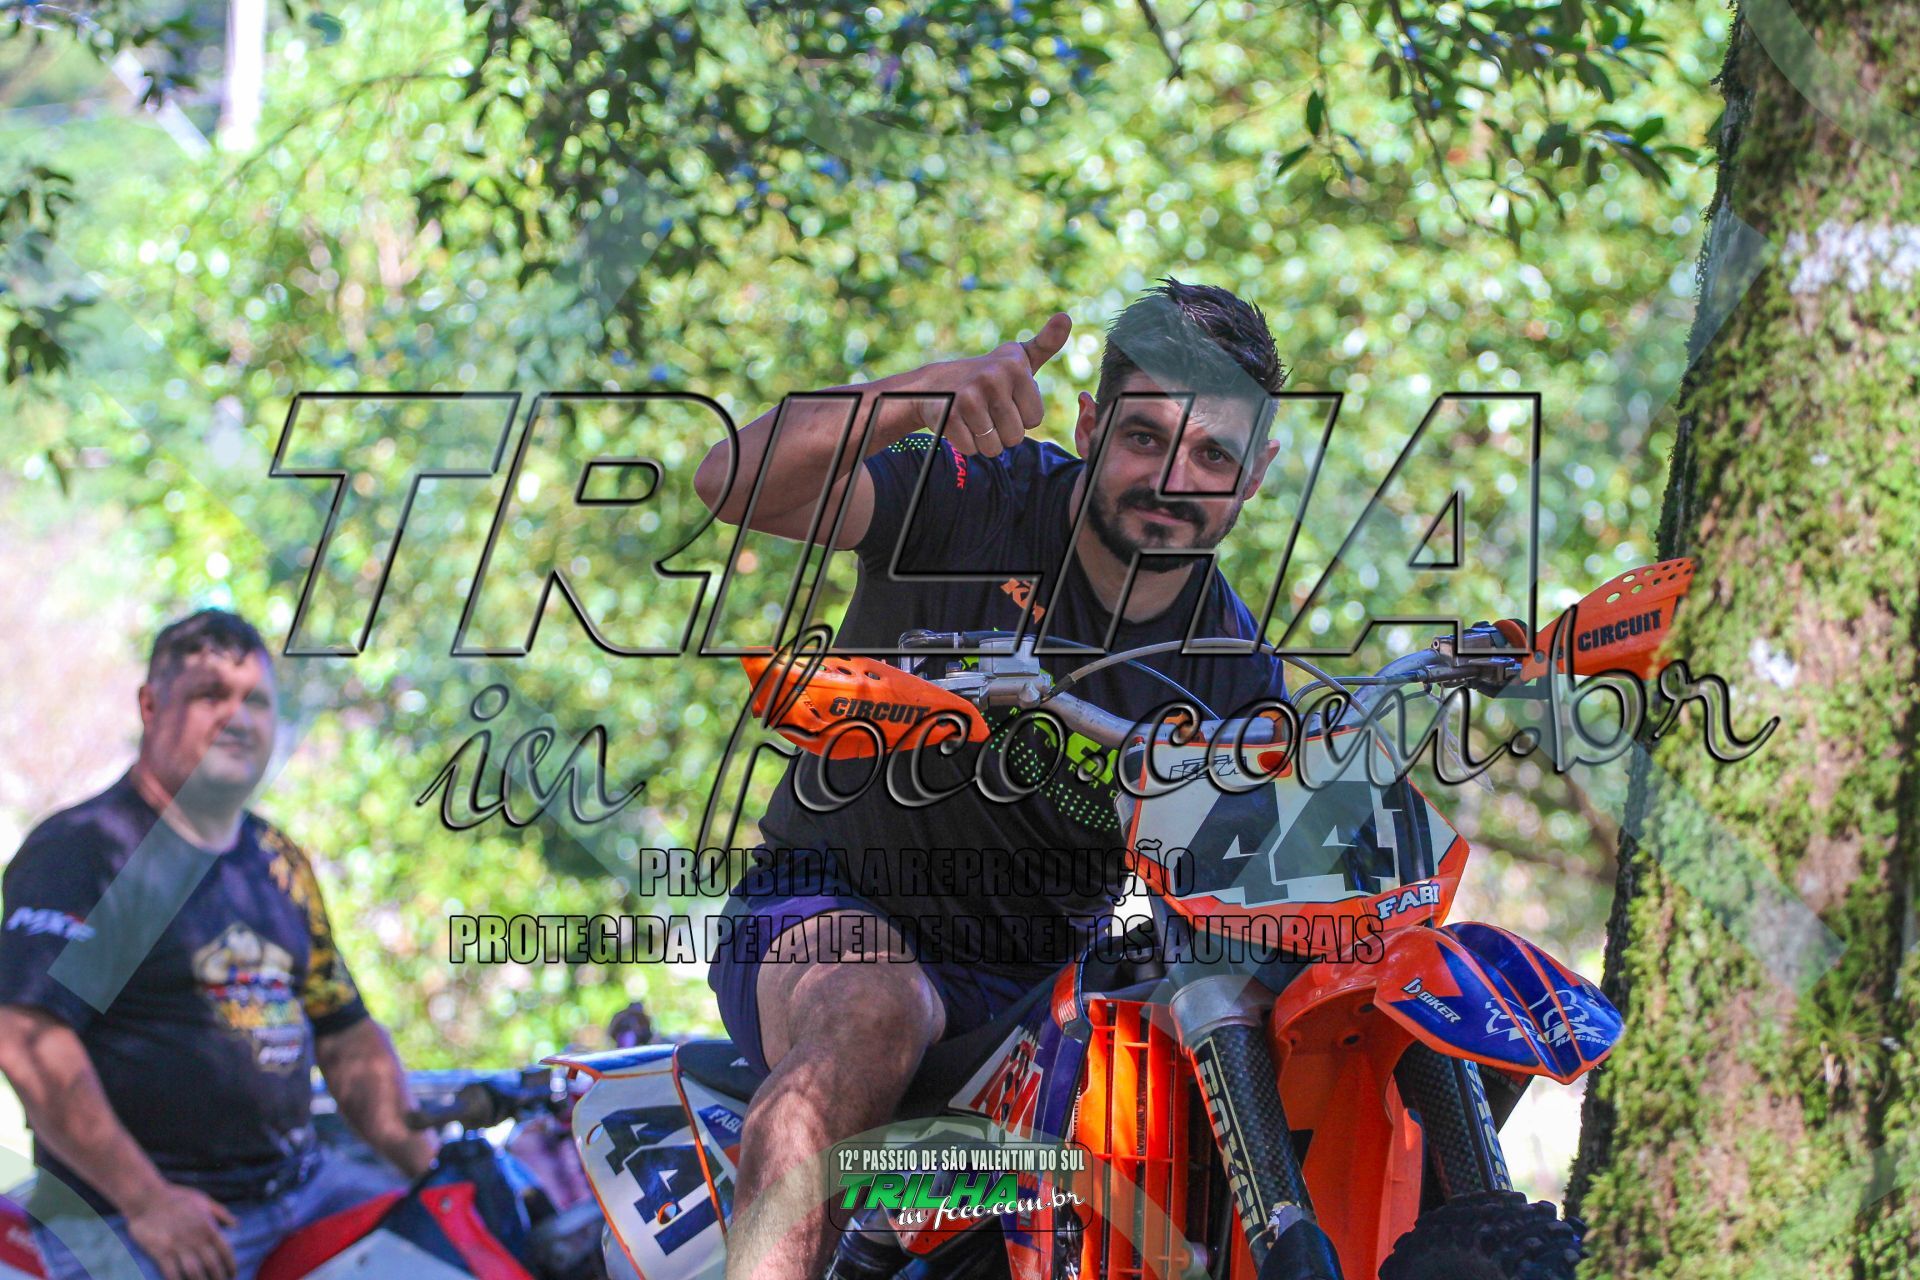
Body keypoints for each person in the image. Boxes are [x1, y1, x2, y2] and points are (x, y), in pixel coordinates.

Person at [693, 279, 1292, 1280]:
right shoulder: (977, 491)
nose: (1172, 479)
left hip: (1038, 991)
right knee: (875, 1006)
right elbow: (731, 481)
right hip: (827, 903)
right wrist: (920, 394)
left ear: (1254, 474)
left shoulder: (1234, 676)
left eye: (1211, 455)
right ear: (1091, 425)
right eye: (1144, 437)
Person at [0, 610, 436, 1280]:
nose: (237, 718)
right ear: (151, 706)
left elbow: (346, 1035)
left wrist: (433, 1171)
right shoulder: (91, 850)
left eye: (255, 700)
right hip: (135, 1221)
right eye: (211, 695)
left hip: (302, 1193)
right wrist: (148, 1201)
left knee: (465, 1245)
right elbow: (25, 1034)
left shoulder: (275, 860)